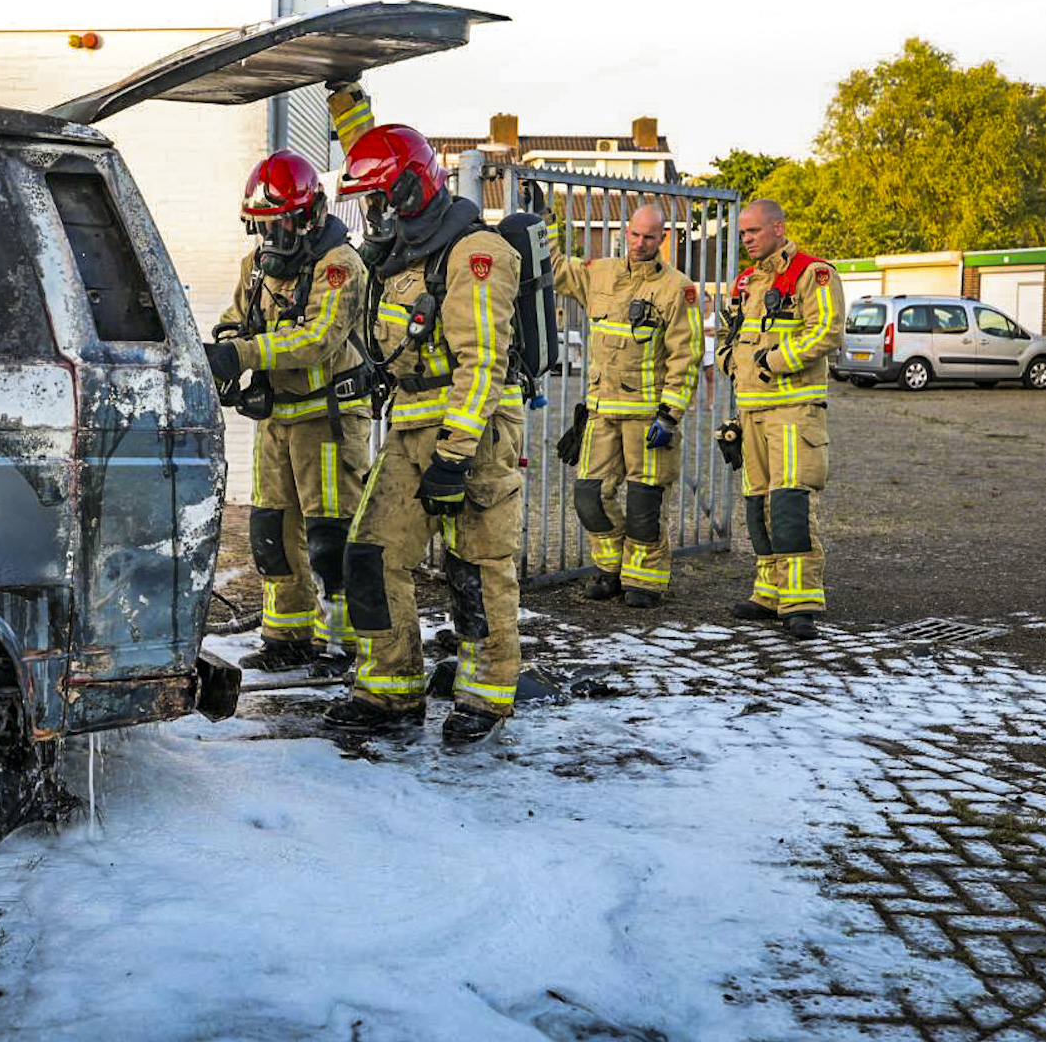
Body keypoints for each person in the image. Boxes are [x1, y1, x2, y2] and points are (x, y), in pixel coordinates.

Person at [322, 117, 526, 746]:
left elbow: (483, 362)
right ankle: (390, 689)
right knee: (373, 553)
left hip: (476, 431)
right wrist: (349, 102)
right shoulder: (404, 257)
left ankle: (485, 696)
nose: (374, 218)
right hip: (412, 431)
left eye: (380, 202)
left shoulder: (474, 255)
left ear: (410, 192)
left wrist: (455, 457)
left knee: (477, 566)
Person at [207, 151, 373, 673]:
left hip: (328, 419)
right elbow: (237, 318)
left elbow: (318, 340)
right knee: (271, 532)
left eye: (279, 226)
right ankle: (288, 635)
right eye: (261, 228)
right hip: (277, 417)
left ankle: (344, 644)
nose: (270, 239)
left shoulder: (340, 267)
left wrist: (247, 354)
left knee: (331, 537)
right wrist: (229, 347)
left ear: (310, 217)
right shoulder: (256, 266)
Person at [546, 201, 702, 607]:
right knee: (588, 496)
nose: (640, 243)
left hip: (648, 419)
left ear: (663, 239)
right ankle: (611, 568)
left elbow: (686, 356)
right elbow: (558, 269)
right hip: (601, 412)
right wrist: (541, 225)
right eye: (635, 234)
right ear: (625, 232)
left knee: (644, 505)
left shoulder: (676, 289)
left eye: (650, 236)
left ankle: (644, 581)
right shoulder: (599, 274)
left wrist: (670, 415)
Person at [723, 198, 844, 639]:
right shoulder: (744, 282)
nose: (747, 239)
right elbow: (730, 333)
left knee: (790, 505)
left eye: (753, 231)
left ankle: (801, 601)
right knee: (758, 505)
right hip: (752, 408)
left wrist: (775, 360)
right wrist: (728, 362)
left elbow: (828, 330)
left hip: (795, 408)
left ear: (778, 227)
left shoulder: (814, 273)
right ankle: (768, 593)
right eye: (742, 233)